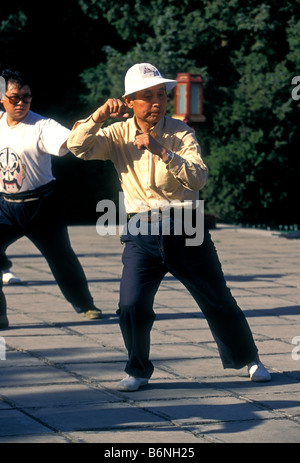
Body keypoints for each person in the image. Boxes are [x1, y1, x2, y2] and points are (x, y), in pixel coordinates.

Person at [67, 62, 271, 390]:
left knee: (216, 298)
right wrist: (99, 115)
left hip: (186, 228)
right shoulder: (118, 134)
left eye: (161, 94)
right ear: (130, 101)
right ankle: (137, 369)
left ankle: (248, 359)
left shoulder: (181, 133)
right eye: (147, 96)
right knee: (130, 304)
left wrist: (162, 151)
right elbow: (77, 147)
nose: (157, 102)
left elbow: (198, 177)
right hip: (141, 231)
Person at [0, 69, 102, 330]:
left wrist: (97, 118)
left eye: (27, 97)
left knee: (61, 257)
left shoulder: (42, 126)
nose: (21, 102)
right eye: (15, 98)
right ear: (2, 98)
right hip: (6, 207)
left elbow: (72, 142)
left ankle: (85, 304)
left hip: (42, 206)